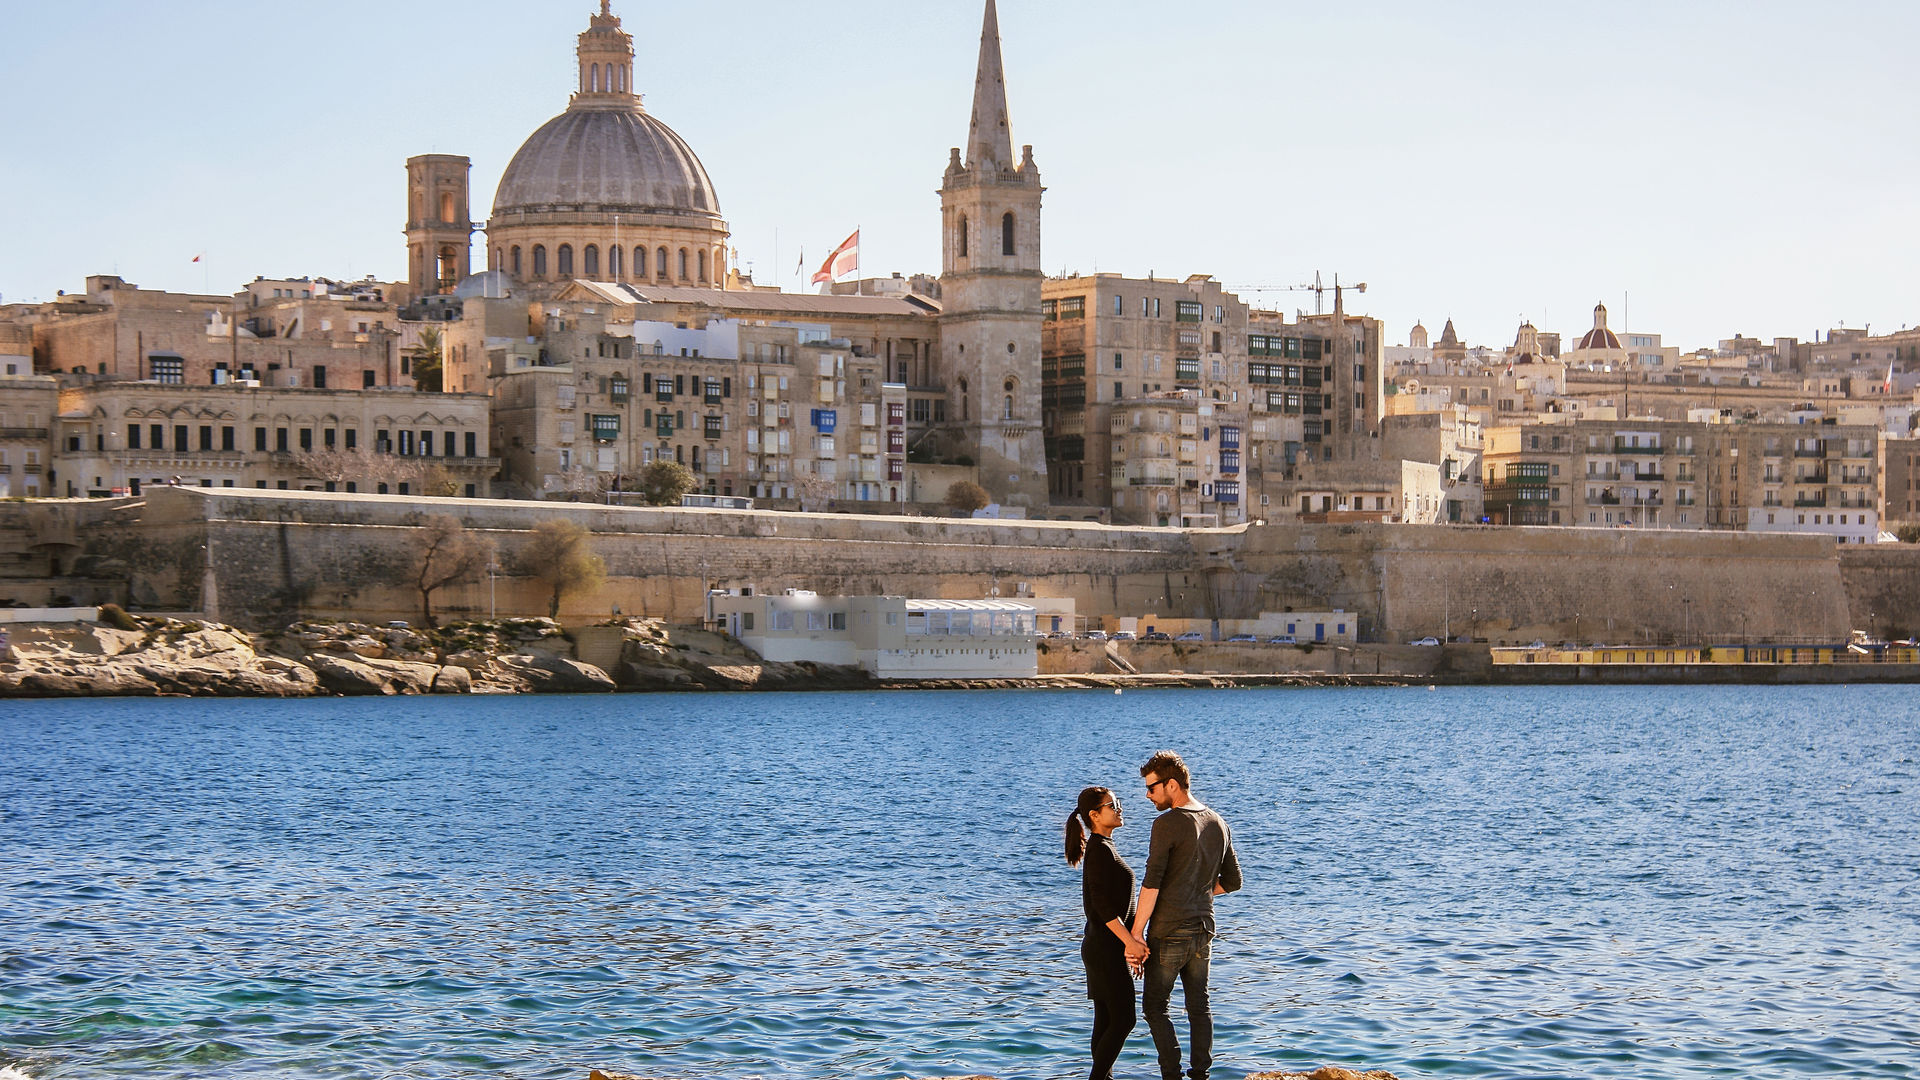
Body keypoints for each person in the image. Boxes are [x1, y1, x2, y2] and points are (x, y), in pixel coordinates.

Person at [1130, 750, 1242, 1080]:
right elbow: (1233, 882)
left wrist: (1136, 933)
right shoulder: (1218, 822)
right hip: (1204, 928)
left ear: (1173, 785)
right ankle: (1201, 1076)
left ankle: (1172, 1076)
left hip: (1170, 930)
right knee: (1198, 1005)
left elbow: (1151, 884)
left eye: (1152, 788)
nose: (1147, 796)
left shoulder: (1166, 824)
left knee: (1154, 1007)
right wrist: (1198, 890)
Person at [1066, 786, 1148, 1080]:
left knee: (1106, 1019)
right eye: (1113, 805)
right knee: (1124, 1019)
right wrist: (1130, 943)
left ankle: (1104, 1077)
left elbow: (1119, 905)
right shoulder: (1099, 850)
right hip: (1104, 948)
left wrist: (1134, 940)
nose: (1120, 808)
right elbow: (1102, 907)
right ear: (1094, 815)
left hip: (1104, 947)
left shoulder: (1104, 847)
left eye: (1118, 803)